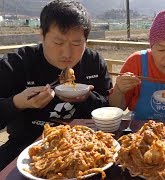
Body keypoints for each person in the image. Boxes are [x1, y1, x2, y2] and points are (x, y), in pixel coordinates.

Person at [0, 0, 114, 170]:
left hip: (84, 147)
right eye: (58, 43)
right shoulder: (17, 63)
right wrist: (17, 103)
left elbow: (106, 108)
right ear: (42, 35)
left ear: (86, 40)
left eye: (76, 44)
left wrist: (87, 98)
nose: (67, 53)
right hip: (24, 147)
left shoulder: (94, 62)